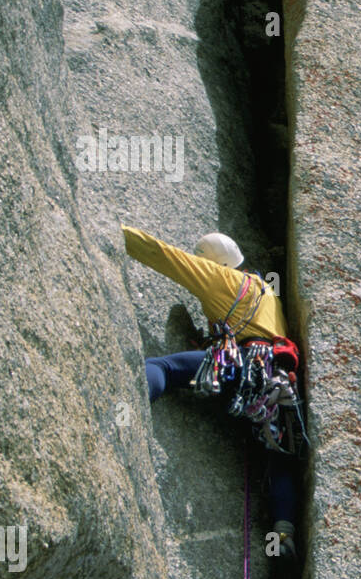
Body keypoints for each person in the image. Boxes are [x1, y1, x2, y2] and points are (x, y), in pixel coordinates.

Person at [122, 225, 301, 559]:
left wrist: (119, 233)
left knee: (165, 367)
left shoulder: (224, 279)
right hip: (277, 383)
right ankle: (283, 535)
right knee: (278, 455)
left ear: (215, 263)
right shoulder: (269, 295)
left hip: (243, 365)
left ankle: (132, 402)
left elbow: (164, 256)